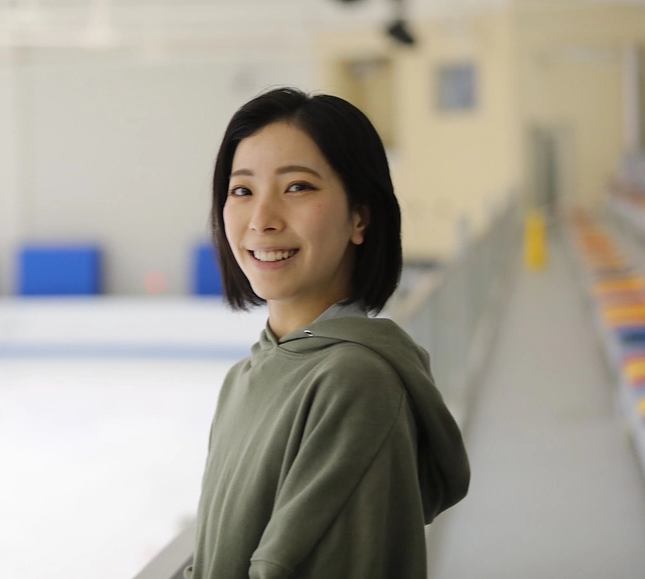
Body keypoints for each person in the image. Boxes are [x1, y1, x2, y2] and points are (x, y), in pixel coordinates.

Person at [185, 88, 470, 578]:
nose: (262, 220)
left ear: (359, 216)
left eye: (297, 187)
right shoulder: (245, 377)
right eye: (242, 190)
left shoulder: (353, 381)